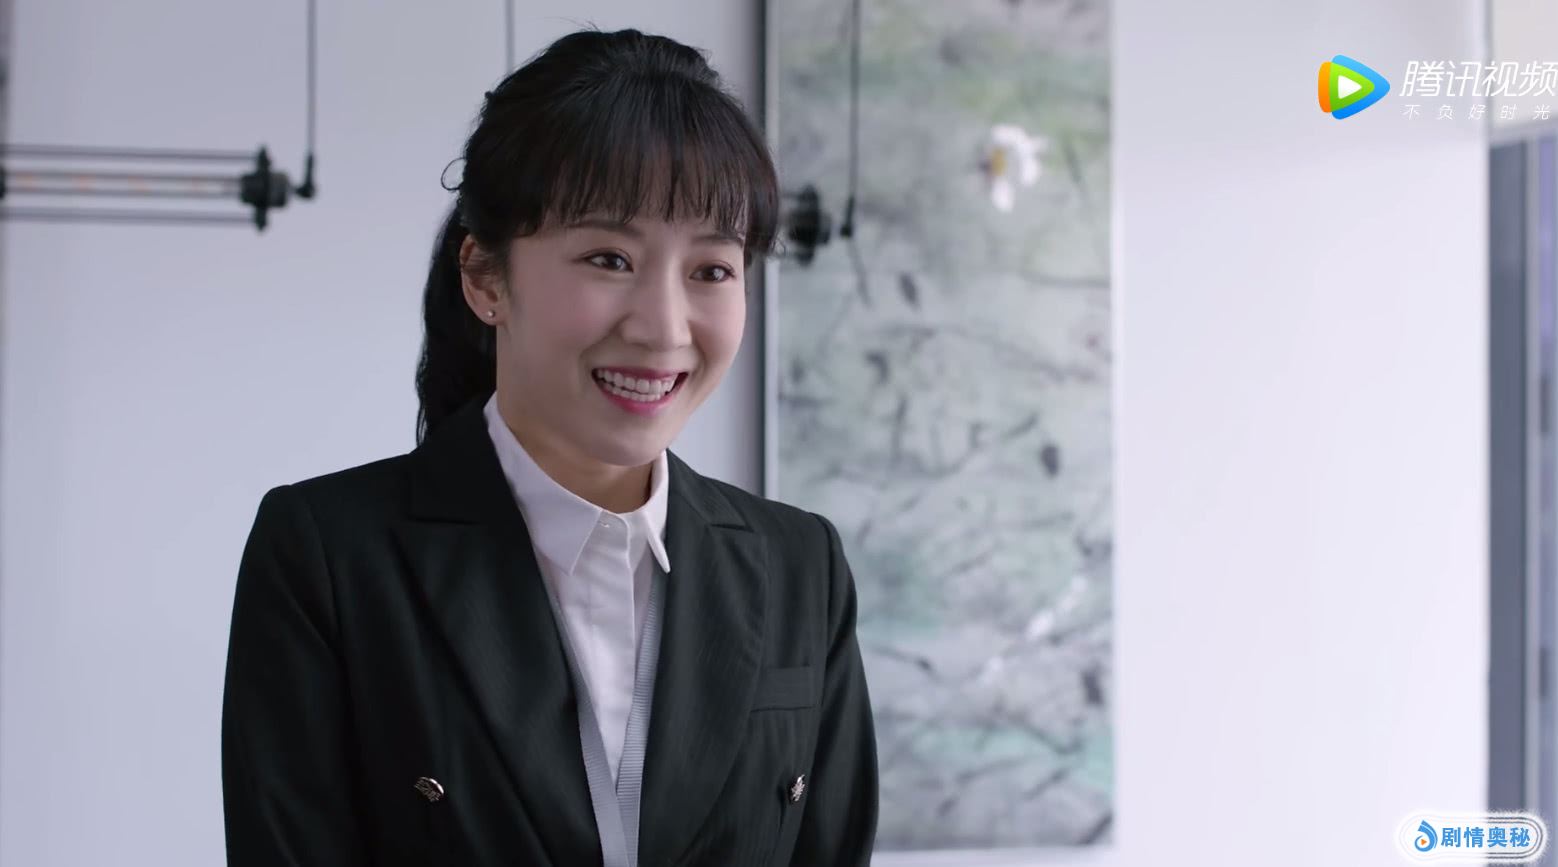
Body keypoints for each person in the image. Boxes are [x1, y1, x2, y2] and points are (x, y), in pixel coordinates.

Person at [219, 26, 879, 867]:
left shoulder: (802, 567)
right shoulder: (328, 555)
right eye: (609, 258)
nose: (663, 328)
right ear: (485, 277)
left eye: (711, 270)